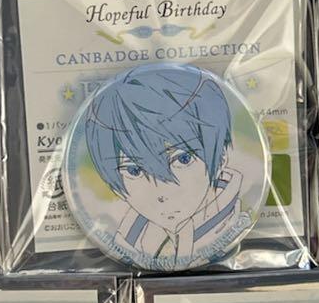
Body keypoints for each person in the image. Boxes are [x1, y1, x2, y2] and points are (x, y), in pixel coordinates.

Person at [83, 65, 244, 263]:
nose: (162, 193)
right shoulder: (131, 237)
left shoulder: (234, 224)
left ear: (221, 158)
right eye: (134, 170)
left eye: (183, 159)